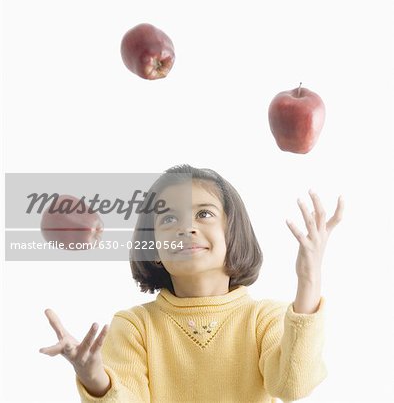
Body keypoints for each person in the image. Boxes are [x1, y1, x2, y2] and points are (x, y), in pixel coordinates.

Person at [39, 164, 344, 403]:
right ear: (153, 248)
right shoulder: (135, 326)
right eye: (169, 220)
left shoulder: (264, 319)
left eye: (204, 214)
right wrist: (95, 379)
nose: (187, 228)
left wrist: (309, 279)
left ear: (232, 233)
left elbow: (293, 385)